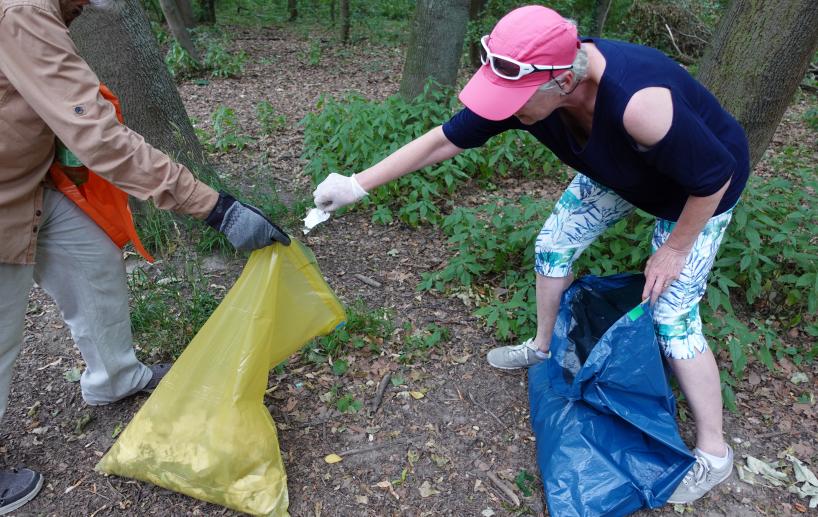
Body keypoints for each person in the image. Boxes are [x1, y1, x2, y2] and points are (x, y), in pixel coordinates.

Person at [313, 4, 749, 506]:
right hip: (623, 168)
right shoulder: (532, 87)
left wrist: (676, 248)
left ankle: (715, 453)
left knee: (672, 314)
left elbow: (714, 175)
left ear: (564, 80)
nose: (502, 111)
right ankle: (542, 348)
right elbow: (442, 141)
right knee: (553, 245)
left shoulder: (639, 103)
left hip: (698, 192)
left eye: (515, 101)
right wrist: (355, 185)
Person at [0, 0, 290, 512]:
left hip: (31, 184)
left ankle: (115, 378)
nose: (90, 5)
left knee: (92, 259)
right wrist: (216, 209)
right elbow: (97, 135)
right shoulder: (21, 10)